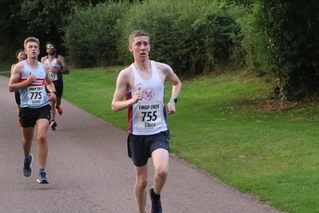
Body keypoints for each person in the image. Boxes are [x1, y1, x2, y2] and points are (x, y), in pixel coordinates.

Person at [111, 30, 182, 213]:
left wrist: (173, 100)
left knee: (162, 171)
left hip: (158, 131)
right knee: (142, 181)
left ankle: (156, 197)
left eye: (145, 44)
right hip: (138, 134)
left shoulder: (162, 69)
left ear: (149, 46)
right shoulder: (126, 75)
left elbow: (177, 83)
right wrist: (132, 100)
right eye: (138, 44)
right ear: (131, 48)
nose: (142, 47)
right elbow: (114, 105)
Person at [8, 37, 57, 184]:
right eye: (30, 47)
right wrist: (27, 82)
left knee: (41, 137)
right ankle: (27, 158)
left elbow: (49, 83)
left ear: (39, 50)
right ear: (25, 50)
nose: (33, 49)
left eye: (35, 47)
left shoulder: (43, 67)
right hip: (27, 108)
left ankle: (42, 172)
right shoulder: (20, 68)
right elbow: (11, 87)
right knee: (27, 140)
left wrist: (53, 92)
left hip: (42, 107)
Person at [41, 42, 69, 130]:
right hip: (48, 84)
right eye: (48, 48)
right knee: (51, 102)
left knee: (58, 101)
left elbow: (67, 71)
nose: (50, 49)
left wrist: (57, 70)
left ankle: (58, 107)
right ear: (46, 50)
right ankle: (52, 120)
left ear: (55, 49)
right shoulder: (43, 60)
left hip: (58, 83)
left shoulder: (59, 58)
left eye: (52, 47)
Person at [11, 49, 27, 126]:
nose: (23, 56)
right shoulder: (14, 66)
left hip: (27, 89)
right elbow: (12, 80)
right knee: (20, 106)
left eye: (24, 55)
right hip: (18, 89)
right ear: (17, 56)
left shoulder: (28, 66)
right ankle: (20, 117)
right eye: (21, 55)